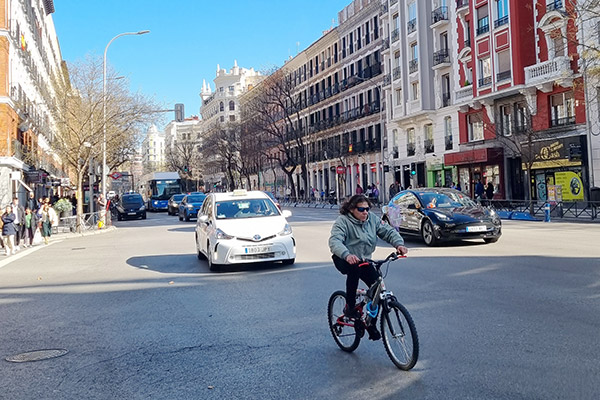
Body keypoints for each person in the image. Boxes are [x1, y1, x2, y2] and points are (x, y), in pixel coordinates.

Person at [328, 194, 408, 341]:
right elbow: (335, 241)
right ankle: (350, 307)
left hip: (365, 259)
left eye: (367, 209)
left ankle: (371, 323)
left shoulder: (371, 219)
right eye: (361, 209)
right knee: (354, 269)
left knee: (377, 287)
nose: (365, 212)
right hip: (344, 258)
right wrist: (347, 255)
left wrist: (399, 244)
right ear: (352, 209)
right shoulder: (343, 221)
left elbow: (387, 232)